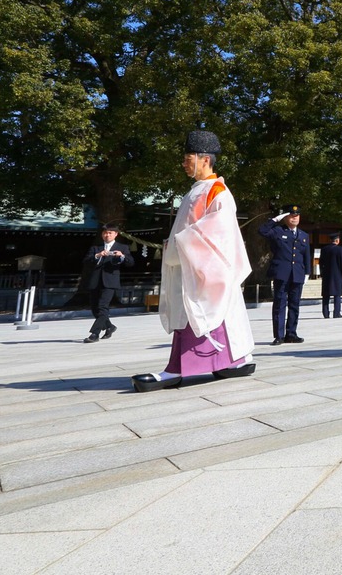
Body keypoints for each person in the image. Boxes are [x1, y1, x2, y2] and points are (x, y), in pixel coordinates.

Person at [132, 131, 255, 392]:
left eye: (188, 159)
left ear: (204, 159)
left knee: (202, 311)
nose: (184, 164)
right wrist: (178, 242)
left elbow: (218, 230)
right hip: (192, 265)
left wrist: (182, 241)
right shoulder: (197, 191)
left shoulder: (217, 191)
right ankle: (231, 361)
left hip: (206, 267)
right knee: (205, 312)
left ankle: (178, 368)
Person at [258, 204, 311, 345]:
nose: (295, 218)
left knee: (294, 305)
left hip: (297, 273)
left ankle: (291, 334)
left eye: (297, 216)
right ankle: (279, 335)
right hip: (281, 273)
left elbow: (306, 255)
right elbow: (262, 230)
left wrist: (307, 272)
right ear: (286, 217)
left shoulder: (304, 235)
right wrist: (275, 219)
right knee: (279, 304)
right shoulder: (278, 231)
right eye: (292, 216)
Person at [82, 223, 135, 343]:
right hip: (95, 280)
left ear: (116, 234)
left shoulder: (122, 247)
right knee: (95, 308)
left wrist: (122, 256)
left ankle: (95, 333)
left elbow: (131, 262)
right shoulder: (96, 247)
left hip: (110, 281)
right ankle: (110, 327)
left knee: (102, 306)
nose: (107, 235)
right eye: (105, 233)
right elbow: (86, 261)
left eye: (110, 233)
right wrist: (97, 255)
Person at [320, 233, 342, 318]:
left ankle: (325, 313)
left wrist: (322, 273)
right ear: (337, 240)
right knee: (337, 294)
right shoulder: (340, 249)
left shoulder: (324, 249)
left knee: (326, 295)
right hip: (337, 275)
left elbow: (321, 262)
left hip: (326, 275)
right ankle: (336, 313)